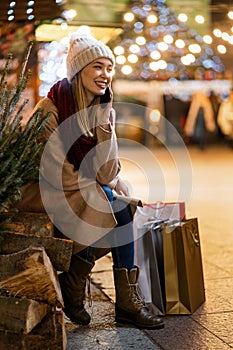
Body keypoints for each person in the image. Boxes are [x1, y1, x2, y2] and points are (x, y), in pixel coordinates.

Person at [16, 33, 164, 329]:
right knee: (107, 201)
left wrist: (106, 123)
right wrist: (104, 188)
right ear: (78, 71)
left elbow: (107, 172)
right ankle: (75, 284)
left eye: (109, 68)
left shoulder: (97, 109)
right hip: (43, 194)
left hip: (75, 190)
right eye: (97, 67)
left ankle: (123, 300)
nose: (105, 75)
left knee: (122, 207)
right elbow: (57, 174)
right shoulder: (49, 110)